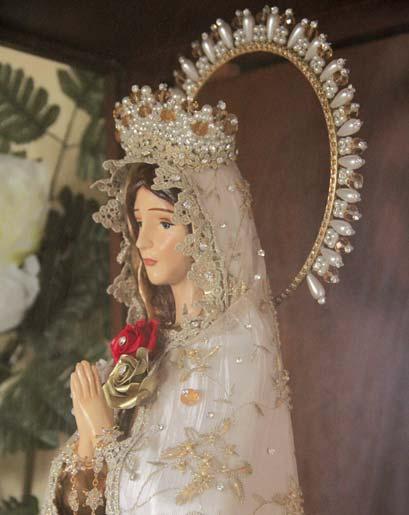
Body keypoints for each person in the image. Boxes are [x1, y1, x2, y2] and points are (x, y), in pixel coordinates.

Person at [42, 84, 304, 514]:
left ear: (206, 229)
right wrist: (88, 438)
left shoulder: (237, 345)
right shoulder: (149, 344)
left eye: (164, 223)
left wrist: (102, 433)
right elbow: (80, 501)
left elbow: (199, 501)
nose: (142, 240)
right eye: (138, 221)